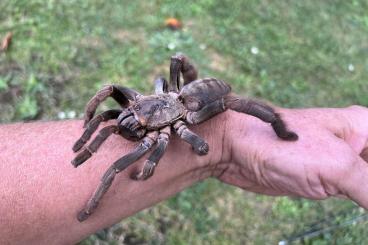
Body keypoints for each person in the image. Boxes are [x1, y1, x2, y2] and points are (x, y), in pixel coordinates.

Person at [1, 105, 367, 244]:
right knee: (110, 125)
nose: (131, 122)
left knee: (116, 165)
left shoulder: (167, 135)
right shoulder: (133, 111)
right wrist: (87, 133)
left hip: (187, 109)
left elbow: (179, 148)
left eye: (137, 120)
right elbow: (110, 115)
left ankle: (91, 202)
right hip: (173, 100)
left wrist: (147, 169)